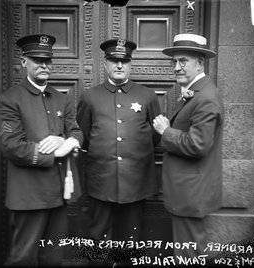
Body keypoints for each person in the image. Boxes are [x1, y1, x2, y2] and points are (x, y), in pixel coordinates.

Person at [0, 34, 83, 265]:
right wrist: (57, 151)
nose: (44, 65)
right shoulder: (10, 99)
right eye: (37, 60)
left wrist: (65, 141)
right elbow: (12, 146)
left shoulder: (61, 98)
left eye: (48, 60)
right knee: (23, 257)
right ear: (24, 61)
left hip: (59, 192)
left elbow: (76, 131)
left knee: (53, 258)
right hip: (29, 195)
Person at [77, 38, 161, 260]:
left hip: (135, 180)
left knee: (133, 239)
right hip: (101, 179)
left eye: (124, 61)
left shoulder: (147, 95)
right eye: (114, 61)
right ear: (105, 63)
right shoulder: (90, 96)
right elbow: (83, 137)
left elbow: (154, 135)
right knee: (98, 236)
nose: (119, 66)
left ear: (130, 64)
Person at [153, 33, 224, 259]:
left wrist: (166, 131)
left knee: (188, 255)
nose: (176, 67)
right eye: (174, 62)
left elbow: (197, 145)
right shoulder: (196, 93)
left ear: (200, 63)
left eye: (183, 61)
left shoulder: (205, 97)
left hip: (191, 192)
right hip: (188, 190)